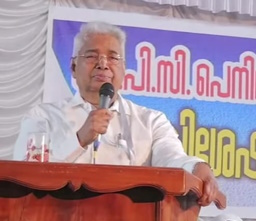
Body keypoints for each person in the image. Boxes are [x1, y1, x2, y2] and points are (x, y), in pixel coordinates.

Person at [12, 21, 223, 208]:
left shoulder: (151, 121)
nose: (103, 64)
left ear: (123, 69)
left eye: (113, 57)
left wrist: (197, 167)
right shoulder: (43, 117)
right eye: (92, 56)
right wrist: (79, 140)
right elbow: (24, 175)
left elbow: (173, 159)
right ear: (73, 67)